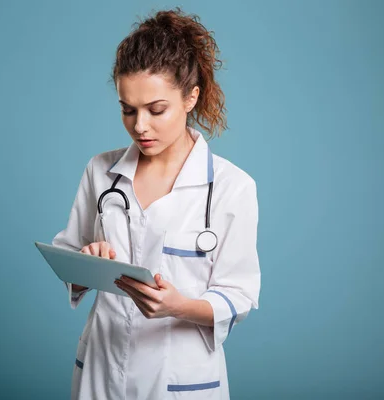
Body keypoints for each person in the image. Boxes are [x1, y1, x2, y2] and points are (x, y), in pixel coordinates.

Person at [52, 7, 261, 400]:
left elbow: (239, 294)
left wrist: (179, 306)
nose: (140, 126)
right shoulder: (101, 172)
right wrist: (88, 260)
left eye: (156, 110)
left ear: (190, 98)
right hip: (102, 365)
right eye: (127, 110)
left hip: (182, 378)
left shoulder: (232, 187)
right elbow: (69, 263)